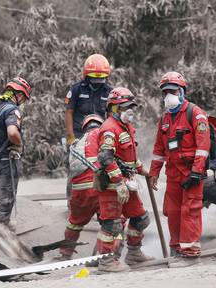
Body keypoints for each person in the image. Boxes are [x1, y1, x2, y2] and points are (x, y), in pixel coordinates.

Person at [149, 71, 210, 268]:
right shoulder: (165, 119)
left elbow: (203, 146)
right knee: (173, 212)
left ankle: (191, 254)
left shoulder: (195, 113)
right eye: (165, 92)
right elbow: (159, 149)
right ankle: (176, 250)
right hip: (173, 174)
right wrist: (154, 173)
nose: (169, 96)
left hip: (191, 173)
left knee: (189, 211)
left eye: (172, 91)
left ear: (182, 91)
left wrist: (196, 171)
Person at [95, 87, 153, 273]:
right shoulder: (109, 129)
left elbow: (128, 156)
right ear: (114, 108)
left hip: (128, 182)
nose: (130, 110)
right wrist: (119, 182)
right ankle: (106, 262)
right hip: (113, 184)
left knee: (141, 219)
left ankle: (134, 253)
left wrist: (142, 170)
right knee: (112, 224)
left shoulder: (126, 127)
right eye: (125, 106)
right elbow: (106, 157)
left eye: (131, 106)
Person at [55, 114, 104, 261]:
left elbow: (70, 174)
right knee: (111, 222)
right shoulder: (103, 136)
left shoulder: (76, 143)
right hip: (97, 187)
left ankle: (65, 254)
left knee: (75, 223)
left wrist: (70, 199)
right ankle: (102, 256)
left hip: (78, 190)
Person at [0, 77, 31, 230]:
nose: (22, 101)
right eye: (23, 98)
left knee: (3, 193)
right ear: (18, 94)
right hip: (7, 159)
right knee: (6, 196)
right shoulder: (13, 110)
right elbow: (12, 132)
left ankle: (2, 223)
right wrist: (19, 143)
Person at [64, 54, 113, 144]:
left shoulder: (109, 92)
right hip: (78, 133)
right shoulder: (76, 89)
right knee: (70, 156)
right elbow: (68, 112)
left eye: (101, 78)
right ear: (86, 75)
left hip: (100, 133)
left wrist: (109, 136)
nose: (97, 81)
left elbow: (111, 116)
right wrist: (70, 136)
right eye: (94, 77)